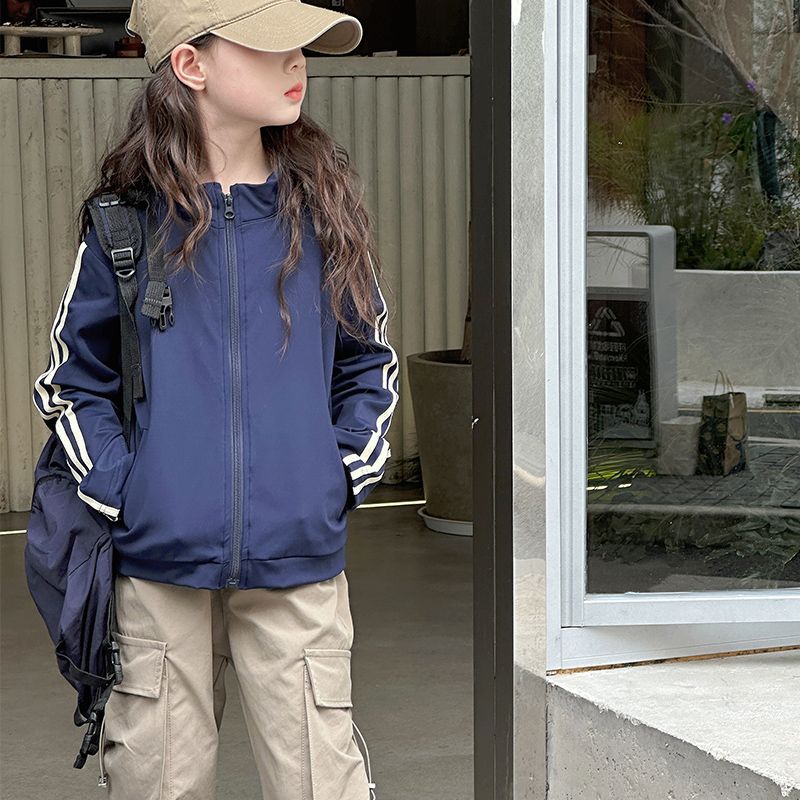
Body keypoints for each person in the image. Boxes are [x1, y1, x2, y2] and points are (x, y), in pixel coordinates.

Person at [30, 1, 398, 797]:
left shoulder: (322, 213)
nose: (296, 61)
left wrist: (334, 478)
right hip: (158, 570)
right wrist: (129, 491)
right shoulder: (127, 225)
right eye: (268, 45)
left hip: (297, 564)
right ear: (191, 66)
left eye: (300, 46)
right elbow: (72, 379)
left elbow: (368, 365)